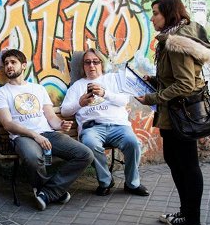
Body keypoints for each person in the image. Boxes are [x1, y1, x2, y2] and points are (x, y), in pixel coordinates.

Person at [135, 0, 210, 225]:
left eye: (156, 13)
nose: (152, 18)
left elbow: (186, 84)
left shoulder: (176, 43)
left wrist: (151, 98)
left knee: (187, 165)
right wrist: (156, 80)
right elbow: (176, 78)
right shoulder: (172, 38)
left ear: (169, 14)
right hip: (175, 114)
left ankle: (192, 219)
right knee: (174, 160)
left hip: (183, 114)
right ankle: (185, 212)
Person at [0, 49, 94, 211]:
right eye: (6, 64)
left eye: (13, 62)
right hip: (22, 137)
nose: (9, 66)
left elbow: (51, 117)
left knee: (85, 154)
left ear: (23, 66)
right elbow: (8, 124)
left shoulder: (38, 89)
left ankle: (48, 192)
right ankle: (54, 192)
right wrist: (34, 135)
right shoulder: (1, 93)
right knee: (33, 157)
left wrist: (61, 125)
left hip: (48, 134)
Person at [61, 49, 149, 197]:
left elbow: (124, 100)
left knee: (133, 143)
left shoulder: (113, 79)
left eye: (96, 61)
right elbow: (64, 111)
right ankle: (106, 182)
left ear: (102, 63)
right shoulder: (77, 86)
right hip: (92, 128)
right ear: (83, 66)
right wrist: (80, 103)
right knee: (90, 143)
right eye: (87, 62)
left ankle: (132, 183)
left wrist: (104, 93)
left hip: (118, 126)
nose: (91, 65)